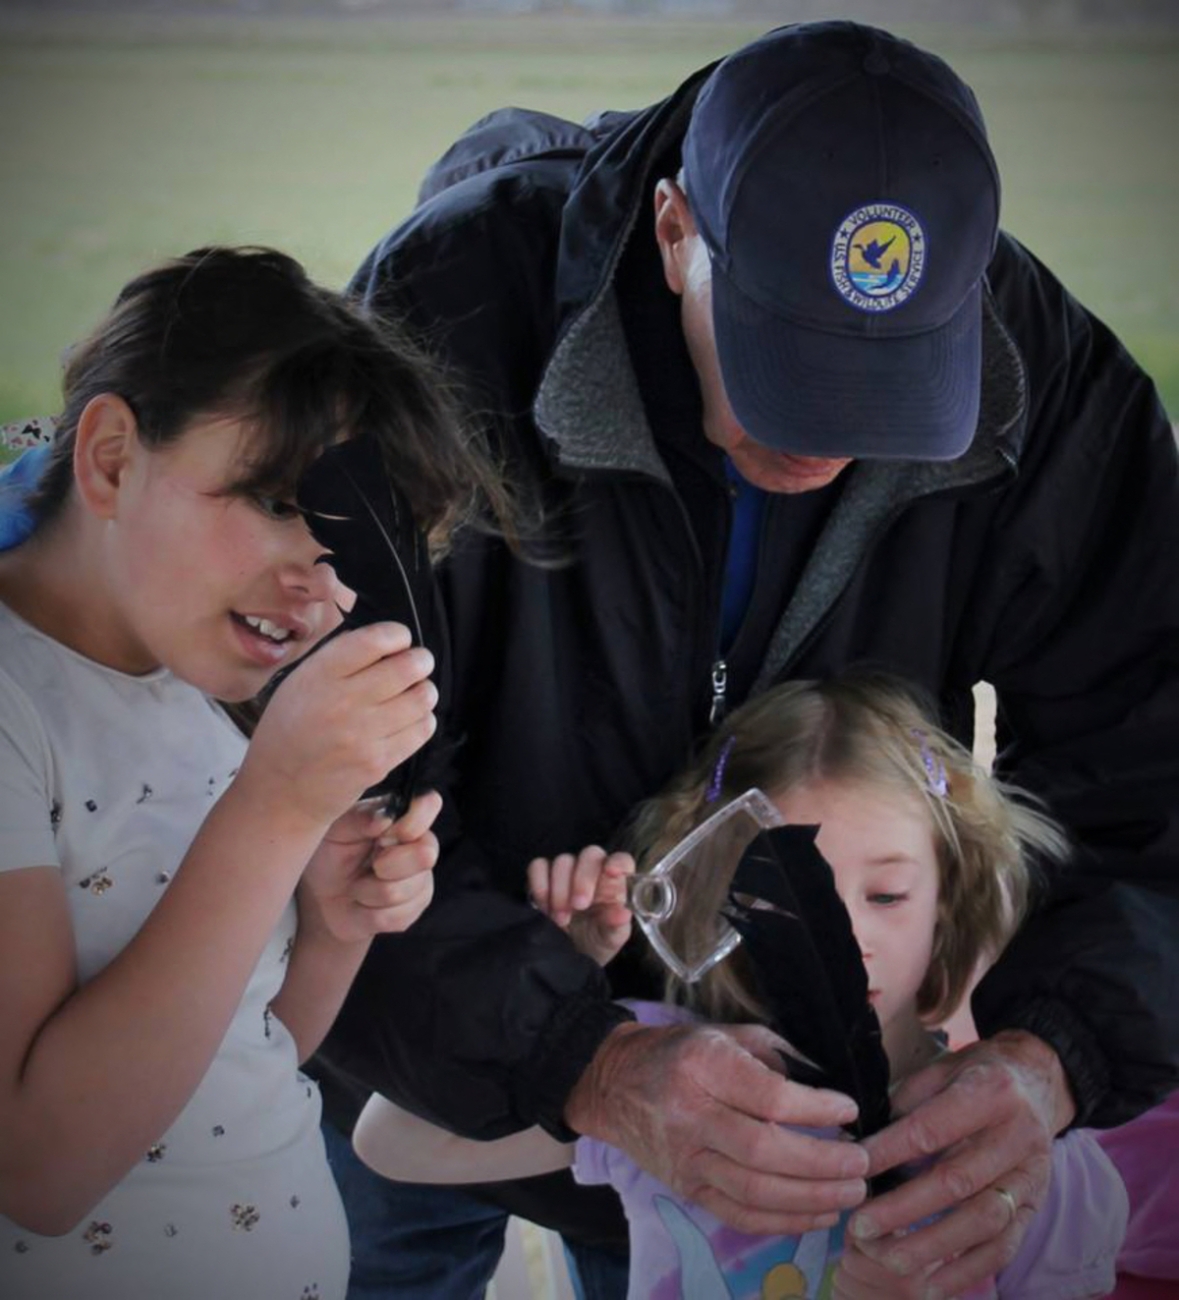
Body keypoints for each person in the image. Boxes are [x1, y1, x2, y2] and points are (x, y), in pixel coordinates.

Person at [310, 18, 1179, 1300]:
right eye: (790, 366)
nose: (827, 437)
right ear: (675, 234)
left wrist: (1056, 1052)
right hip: (427, 1032)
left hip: (751, 1131)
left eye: (888, 389)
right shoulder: (445, 313)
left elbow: (1155, 772)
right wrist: (580, 1056)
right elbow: (317, 776)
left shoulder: (1045, 375)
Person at [0, 245, 508, 1299]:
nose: (319, 587)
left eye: (351, 539)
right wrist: (272, 811)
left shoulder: (206, 688)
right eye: (279, 502)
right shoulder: (18, 707)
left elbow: (246, 1058)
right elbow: (39, 1168)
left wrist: (330, 927)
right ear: (111, 460)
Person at [352, 675, 1130, 1300]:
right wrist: (561, 1003)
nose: (843, 935)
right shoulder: (667, 1077)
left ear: (947, 902)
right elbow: (390, 1144)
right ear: (715, 902)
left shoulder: (1013, 1139)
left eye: (886, 895)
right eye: (790, 894)